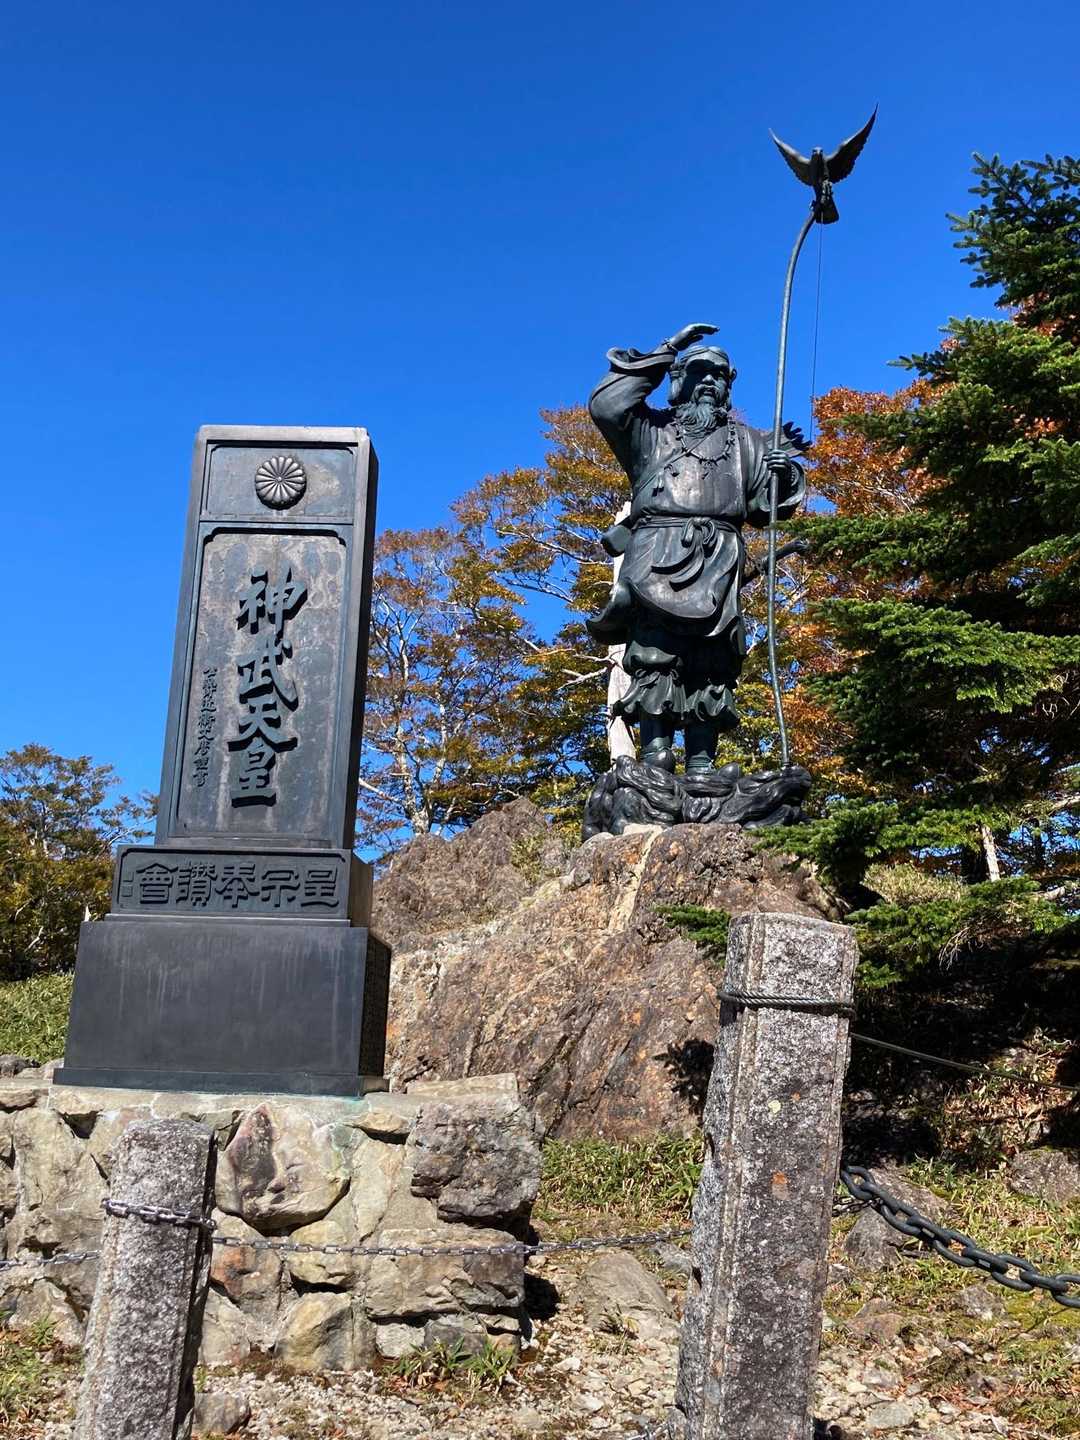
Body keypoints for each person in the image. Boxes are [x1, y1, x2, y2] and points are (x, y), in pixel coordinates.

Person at [587, 321, 805, 774]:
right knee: (656, 654)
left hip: (720, 557)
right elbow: (607, 406)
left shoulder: (747, 442)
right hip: (658, 552)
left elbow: (763, 508)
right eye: (699, 372)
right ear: (679, 381)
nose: (709, 381)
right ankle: (654, 755)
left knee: (712, 659)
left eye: (718, 375)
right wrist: (670, 348)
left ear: (728, 387)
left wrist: (781, 473)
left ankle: (703, 762)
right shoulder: (650, 432)